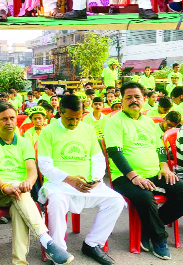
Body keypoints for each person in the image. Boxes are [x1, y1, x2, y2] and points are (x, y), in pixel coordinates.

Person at [104, 82, 183, 260]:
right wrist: (134, 176)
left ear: (144, 99)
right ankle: (159, 238)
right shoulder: (114, 122)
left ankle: (148, 228)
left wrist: (165, 167)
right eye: (129, 97)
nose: (134, 100)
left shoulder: (149, 122)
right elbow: (115, 153)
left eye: (137, 97)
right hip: (125, 177)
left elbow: (160, 149)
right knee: (145, 196)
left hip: (156, 173)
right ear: (122, 100)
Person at [0, 102, 73, 265]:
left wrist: (28, 183)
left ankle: (20, 262)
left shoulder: (24, 143)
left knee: (19, 208)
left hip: (20, 192)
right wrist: (4, 186)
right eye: (3, 119)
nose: (8, 122)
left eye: (12, 118)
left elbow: (32, 171)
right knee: (20, 195)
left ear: (17, 120)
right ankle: (46, 240)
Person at [38, 94, 124, 265]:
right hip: (59, 185)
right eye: (70, 118)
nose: (74, 123)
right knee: (56, 202)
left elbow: (98, 158)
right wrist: (69, 179)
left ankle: (92, 243)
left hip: (86, 185)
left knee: (116, 201)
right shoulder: (48, 131)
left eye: (78, 118)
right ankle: (59, 251)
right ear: (60, 112)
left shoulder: (87, 129)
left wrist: (96, 178)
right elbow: (44, 165)